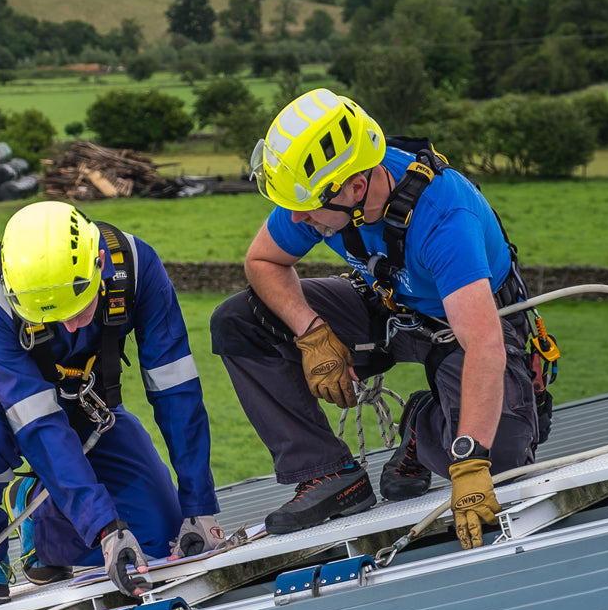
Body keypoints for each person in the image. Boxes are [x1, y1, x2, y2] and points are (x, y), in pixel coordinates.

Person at [211, 88, 539, 550]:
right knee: (239, 321)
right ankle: (329, 474)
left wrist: (468, 464)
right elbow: (263, 260)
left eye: (307, 206)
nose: (297, 217)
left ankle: (425, 424)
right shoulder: (318, 199)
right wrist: (312, 332)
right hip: (386, 309)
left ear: (356, 187)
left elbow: (483, 344)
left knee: (499, 460)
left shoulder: (445, 217)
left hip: (463, 325)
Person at [0, 201, 223, 610]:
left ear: (99, 263)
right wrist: (104, 527)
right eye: (52, 317)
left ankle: (41, 518)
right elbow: (38, 423)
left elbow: (175, 388)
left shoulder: (137, 266)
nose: (68, 326)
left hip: (77, 397)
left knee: (157, 539)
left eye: (77, 307)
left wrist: (200, 506)